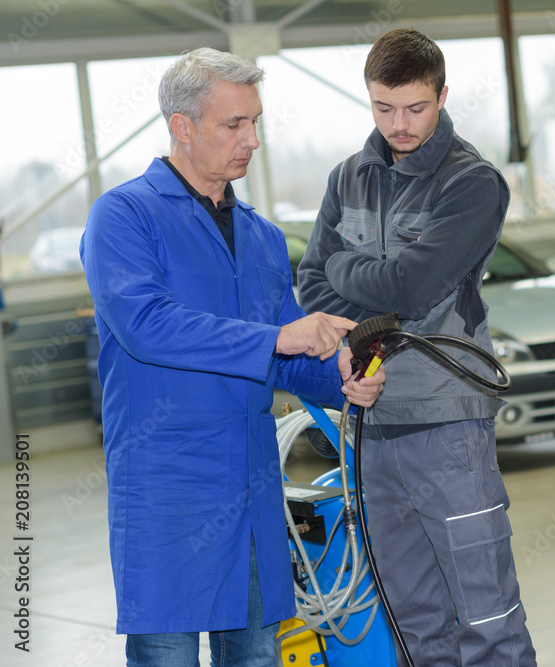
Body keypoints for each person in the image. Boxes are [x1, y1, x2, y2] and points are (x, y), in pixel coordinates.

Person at [80, 47, 386, 666]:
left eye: (255, 121)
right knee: (167, 656)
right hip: (168, 488)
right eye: (234, 124)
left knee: (256, 657)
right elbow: (147, 326)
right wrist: (279, 338)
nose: (252, 139)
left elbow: (287, 355)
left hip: (249, 489)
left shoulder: (263, 237)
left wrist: (342, 376)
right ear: (181, 126)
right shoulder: (125, 217)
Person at [297, 28, 536, 666]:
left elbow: (414, 283)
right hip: (371, 428)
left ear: (442, 95)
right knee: (416, 628)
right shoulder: (346, 178)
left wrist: (347, 272)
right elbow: (309, 282)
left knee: (488, 623)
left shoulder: (470, 183)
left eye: (415, 108)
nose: (399, 124)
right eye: (384, 107)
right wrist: (361, 289)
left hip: (447, 427)